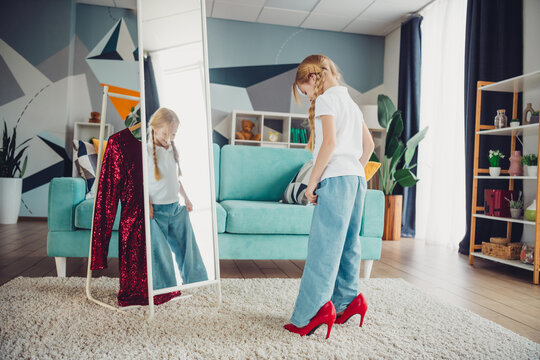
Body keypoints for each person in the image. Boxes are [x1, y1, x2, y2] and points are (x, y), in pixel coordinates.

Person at [284, 55, 375, 339]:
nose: (308, 97)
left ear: (312, 79)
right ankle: (348, 302)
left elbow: (330, 144)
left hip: (335, 179)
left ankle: (310, 314)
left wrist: (312, 184)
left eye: (305, 92)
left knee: (324, 249)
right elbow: (369, 146)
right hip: (357, 180)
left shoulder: (325, 100)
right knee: (349, 244)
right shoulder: (351, 103)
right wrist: (352, 171)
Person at [147, 107, 208, 289]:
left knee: (187, 247)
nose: (168, 138)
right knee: (161, 254)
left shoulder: (172, 150)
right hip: (156, 212)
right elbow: (141, 182)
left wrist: (187, 199)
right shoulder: (147, 151)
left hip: (175, 208)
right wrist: (148, 204)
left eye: (173, 135)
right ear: (155, 128)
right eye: (165, 133)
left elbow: (176, 181)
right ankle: (164, 290)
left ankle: (196, 283)